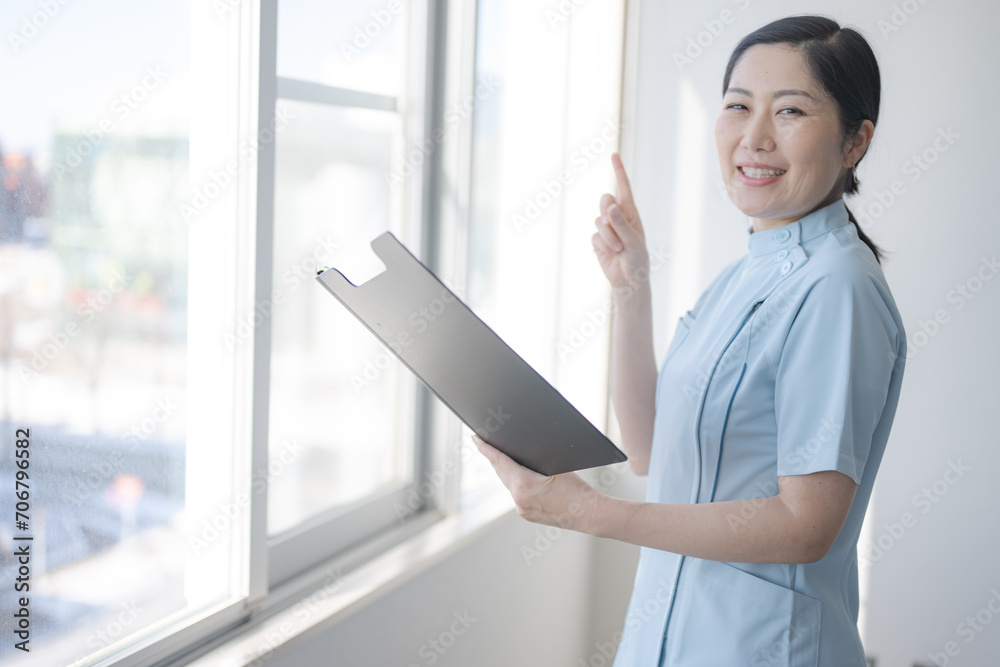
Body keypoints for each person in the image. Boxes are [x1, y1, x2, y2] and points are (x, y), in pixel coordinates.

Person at [474, 15, 906, 666]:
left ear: (855, 141)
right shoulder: (746, 271)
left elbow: (806, 524)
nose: (753, 137)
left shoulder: (836, 287)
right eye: (737, 105)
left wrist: (594, 514)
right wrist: (631, 290)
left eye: (789, 110)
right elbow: (650, 448)